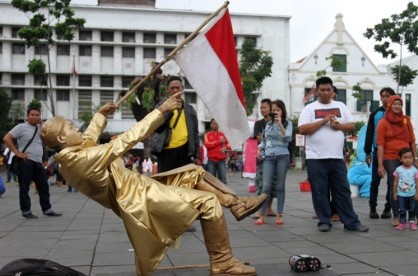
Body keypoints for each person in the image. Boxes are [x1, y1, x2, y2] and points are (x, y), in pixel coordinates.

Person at [40, 93, 264, 276]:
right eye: (70, 127)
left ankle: (236, 203)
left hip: (140, 188)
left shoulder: (72, 155)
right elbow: (129, 138)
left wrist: (99, 116)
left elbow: (88, 137)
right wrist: (162, 110)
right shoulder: (80, 160)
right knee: (208, 202)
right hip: (139, 199)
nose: (75, 129)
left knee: (195, 173)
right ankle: (222, 262)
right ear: (61, 139)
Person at [298, 76, 369, 233]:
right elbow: (303, 129)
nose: (325, 92)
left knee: (343, 190)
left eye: (328, 90)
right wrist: (323, 121)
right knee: (320, 191)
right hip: (315, 157)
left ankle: (351, 222)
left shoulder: (341, 106)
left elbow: (351, 125)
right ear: (316, 91)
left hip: (337, 158)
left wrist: (339, 125)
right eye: (322, 90)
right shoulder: (309, 108)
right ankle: (324, 220)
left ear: (332, 90)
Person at [376, 95, 418, 227]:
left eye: (399, 104)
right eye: (394, 104)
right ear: (389, 105)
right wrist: (380, 164)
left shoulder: (406, 121)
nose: (397, 106)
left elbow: (412, 141)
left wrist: (415, 159)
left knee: (412, 184)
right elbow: (380, 144)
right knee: (395, 184)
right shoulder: (383, 122)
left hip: (407, 156)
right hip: (390, 157)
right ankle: (396, 216)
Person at [3, 107, 61, 219]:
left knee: (43, 186)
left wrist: (44, 158)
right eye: (32, 115)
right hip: (26, 161)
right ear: (27, 116)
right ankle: (26, 210)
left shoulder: (41, 128)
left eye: (37, 115)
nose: (35, 117)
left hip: (38, 162)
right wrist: (17, 152)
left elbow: (51, 133)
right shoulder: (21, 127)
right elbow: (7, 138)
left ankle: (47, 209)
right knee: (24, 187)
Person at [151, 75, 201, 173]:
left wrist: (197, 156)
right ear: (167, 90)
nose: (175, 90)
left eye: (177, 88)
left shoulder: (190, 109)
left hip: (185, 152)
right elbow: (157, 128)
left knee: (182, 184)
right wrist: (169, 110)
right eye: (172, 88)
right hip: (165, 151)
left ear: (182, 89)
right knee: (166, 184)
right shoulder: (161, 106)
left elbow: (195, 134)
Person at [255, 100, 292, 226]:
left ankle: (279, 214)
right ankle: (261, 214)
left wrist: (280, 124)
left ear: (282, 111)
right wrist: (259, 148)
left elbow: (288, 138)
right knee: (266, 187)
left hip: (283, 157)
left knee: (280, 186)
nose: (275, 112)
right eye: (274, 110)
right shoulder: (268, 124)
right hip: (269, 157)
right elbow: (264, 141)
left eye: (278, 110)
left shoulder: (288, 123)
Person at [364, 87, 396, 219]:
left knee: (391, 182)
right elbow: (370, 133)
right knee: (374, 182)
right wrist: (367, 152)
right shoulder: (375, 114)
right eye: (382, 96)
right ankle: (372, 208)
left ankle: (388, 208)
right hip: (378, 151)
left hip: (393, 152)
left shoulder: (398, 115)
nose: (385, 98)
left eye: (388, 96)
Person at [252, 98, 277, 217]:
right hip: (262, 157)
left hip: (275, 157)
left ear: (270, 108)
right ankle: (258, 210)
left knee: (272, 184)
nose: (262, 110)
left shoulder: (276, 122)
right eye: (261, 108)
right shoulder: (258, 123)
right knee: (261, 184)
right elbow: (259, 139)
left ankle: (269, 209)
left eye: (264, 107)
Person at [393, 147, 418, 230]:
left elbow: (417, 182)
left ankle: (412, 223)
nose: (408, 160)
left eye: (410, 157)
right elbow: (395, 182)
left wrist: (417, 193)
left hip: (412, 194)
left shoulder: (414, 170)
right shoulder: (398, 169)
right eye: (405, 158)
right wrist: (395, 192)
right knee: (402, 209)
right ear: (400, 159)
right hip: (401, 194)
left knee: (412, 209)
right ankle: (402, 223)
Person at [204, 118, 231, 184]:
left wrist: (225, 148)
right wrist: (218, 141)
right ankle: (212, 194)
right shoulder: (207, 135)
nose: (215, 125)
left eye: (216, 123)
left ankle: (223, 194)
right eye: (213, 123)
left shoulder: (223, 134)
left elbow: (228, 144)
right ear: (210, 125)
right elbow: (207, 145)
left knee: (223, 180)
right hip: (211, 160)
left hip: (221, 160)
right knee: (211, 181)